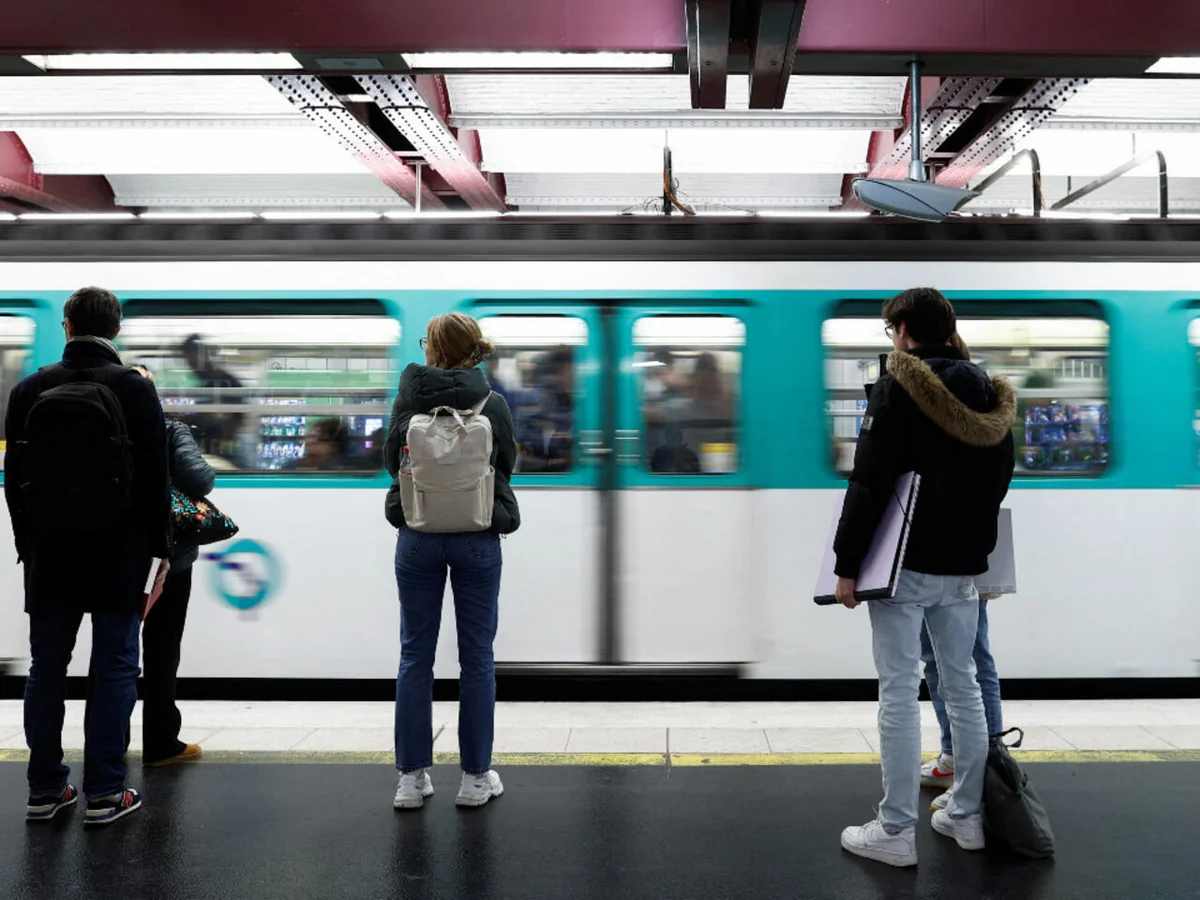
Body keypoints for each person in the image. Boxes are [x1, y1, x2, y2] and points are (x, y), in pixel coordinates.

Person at [833, 288, 1015, 866]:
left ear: (905, 329)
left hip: (904, 565)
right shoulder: (988, 391)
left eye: (891, 330)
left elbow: (869, 480)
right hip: (962, 567)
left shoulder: (898, 387)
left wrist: (846, 566)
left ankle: (895, 830)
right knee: (962, 686)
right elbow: (999, 479)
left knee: (897, 690)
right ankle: (967, 816)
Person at [4, 287, 171, 825]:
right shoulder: (133, 387)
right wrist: (160, 552)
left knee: (46, 668)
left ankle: (44, 789)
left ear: (67, 326)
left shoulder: (29, 389)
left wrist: (28, 544)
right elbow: (156, 478)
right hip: (118, 551)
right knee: (116, 666)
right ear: (116, 329)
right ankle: (105, 792)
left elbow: (14, 481)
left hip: (49, 551)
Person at [384, 312, 520, 810]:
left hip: (417, 535)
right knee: (477, 658)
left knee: (414, 656)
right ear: (473, 349)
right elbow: (505, 465)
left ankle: (411, 779)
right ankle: (475, 779)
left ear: (432, 349)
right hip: (477, 537)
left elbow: (390, 462)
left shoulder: (407, 400)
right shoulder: (493, 403)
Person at [919, 333, 1005, 806]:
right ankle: (963, 755)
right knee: (951, 659)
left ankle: (984, 766)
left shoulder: (962, 402)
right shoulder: (983, 399)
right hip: (963, 544)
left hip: (953, 548)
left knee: (962, 660)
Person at [135, 366, 214, 767]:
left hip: (115, 557)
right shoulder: (169, 429)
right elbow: (201, 479)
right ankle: (161, 743)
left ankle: (106, 745)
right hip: (168, 560)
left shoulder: (101, 432)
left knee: (112, 651)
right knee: (162, 650)